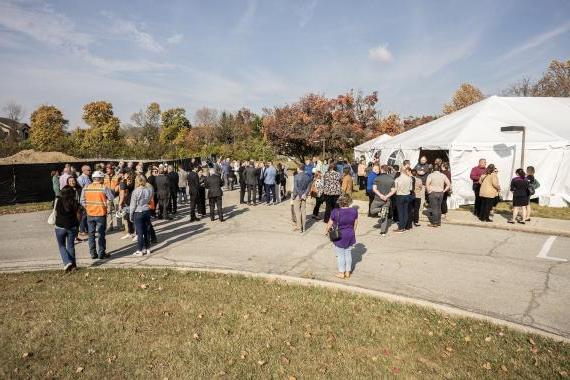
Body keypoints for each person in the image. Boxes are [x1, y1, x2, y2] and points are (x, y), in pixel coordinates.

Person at [80, 170, 114, 260]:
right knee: (101, 234)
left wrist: (87, 207)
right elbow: (111, 197)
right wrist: (106, 203)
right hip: (101, 213)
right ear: (101, 178)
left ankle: (93, 253)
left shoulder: (86, 187)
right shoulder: (103, 187)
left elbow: (82, 201)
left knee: (91, 234)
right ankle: (101, 253)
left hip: (90, 214)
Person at [325, 194, 358, 279]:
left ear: (339, 202)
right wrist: (352, 232)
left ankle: (341, 272)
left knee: (340, 255)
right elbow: (355, 223)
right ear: (349, 202)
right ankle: (348, 272)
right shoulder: (354, 211)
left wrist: (326, 231)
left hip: (340, 236)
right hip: (350, 234)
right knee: (348, 253)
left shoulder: (335, 211)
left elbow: (330, 223)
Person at [53, 186, 81, 271]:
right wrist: (77, 226)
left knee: (61, 246)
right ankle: (73, 266)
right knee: (71, 246)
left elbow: (56, 212)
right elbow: (79, 214)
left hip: (59, 226)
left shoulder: (58, 201)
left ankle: (66, 262)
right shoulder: (75, 202)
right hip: (72, 226)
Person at [130, 175, 153, 256]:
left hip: (138, 211)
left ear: (137, 181)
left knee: (140, 233)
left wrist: (131, 214)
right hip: (146, 210)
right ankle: (148, 248)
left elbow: (133, 205)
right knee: (147, 231)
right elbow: (150, 199)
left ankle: (139, 250)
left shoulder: (135, 191)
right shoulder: (149, 190)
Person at [371, 165, 396, 236]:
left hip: (377, 199)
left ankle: (381, 210)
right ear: (387, 170)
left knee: (372, 210)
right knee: (384, 216)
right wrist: (386, 196)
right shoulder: (391, 179)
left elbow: (374, 189)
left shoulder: (377, 178)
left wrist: (380, 195)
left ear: (381, 170)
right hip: (387, 199)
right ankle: (383, 231)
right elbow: (393, 190)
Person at [393, 167, 414, 233]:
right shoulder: (409, 179)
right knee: (405, 212)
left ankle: (401, 227)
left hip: (400, 196)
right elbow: (410, 189)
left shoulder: (397, 179)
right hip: (407, 195)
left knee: (400, 212)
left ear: (400, 171)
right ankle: (404, 226)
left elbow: (395, 189)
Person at [291, 164, 311, 232]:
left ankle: (300, 227)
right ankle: (304, 227)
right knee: (303, 211)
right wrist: (305, 194)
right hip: (304, 196)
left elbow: (295, 187)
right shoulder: (308, 177)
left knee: (297, 211)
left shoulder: (296, 176)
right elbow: (309, 187)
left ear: (298, 169)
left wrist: (297, 195)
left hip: (297, 195)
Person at [103, 164, 121, 232]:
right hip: (108, 196)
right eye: (106, 168)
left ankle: (119, 225)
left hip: (116, 195)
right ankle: (110, 226)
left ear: (112, 169)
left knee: (118, 210)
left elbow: (119, 185)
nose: (107, 170)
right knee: (109, 211)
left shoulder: (117, 176)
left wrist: (116, 189)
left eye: (108, 168)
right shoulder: (104, 176)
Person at [119, 171, 136, 240]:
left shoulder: (131, 182)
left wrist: (120, 204)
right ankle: (130, 233)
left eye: (124, 174)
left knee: (133, 219)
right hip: (127, 203)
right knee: (128, 219)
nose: (123, 175)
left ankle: (137, 234)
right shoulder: (127, 182)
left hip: (131, 203)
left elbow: (123, 193)